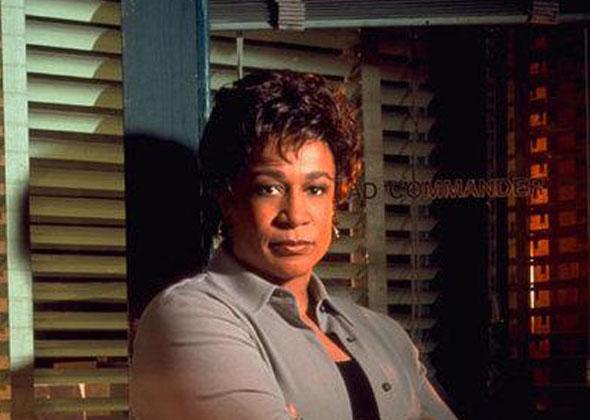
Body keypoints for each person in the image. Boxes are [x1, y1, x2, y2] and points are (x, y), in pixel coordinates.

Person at [130, 70, 457, 420]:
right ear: (227, 195)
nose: (296, 216)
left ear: (336, 198)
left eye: (315, 189)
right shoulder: (185, 319)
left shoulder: (384, 334)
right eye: (269, 188)